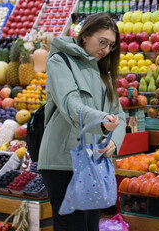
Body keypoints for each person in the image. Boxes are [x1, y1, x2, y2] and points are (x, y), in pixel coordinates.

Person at [38, 13, 126, 231]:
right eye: (102, 42)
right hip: (63, 161)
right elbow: (71, 105)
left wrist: (114, 141)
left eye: (111, 45)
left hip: (92, 162)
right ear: (85, 36)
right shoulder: (60, 61)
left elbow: (120, 115)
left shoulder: (102, 73)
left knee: (89, 226)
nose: (105, 49)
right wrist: (102, 120)